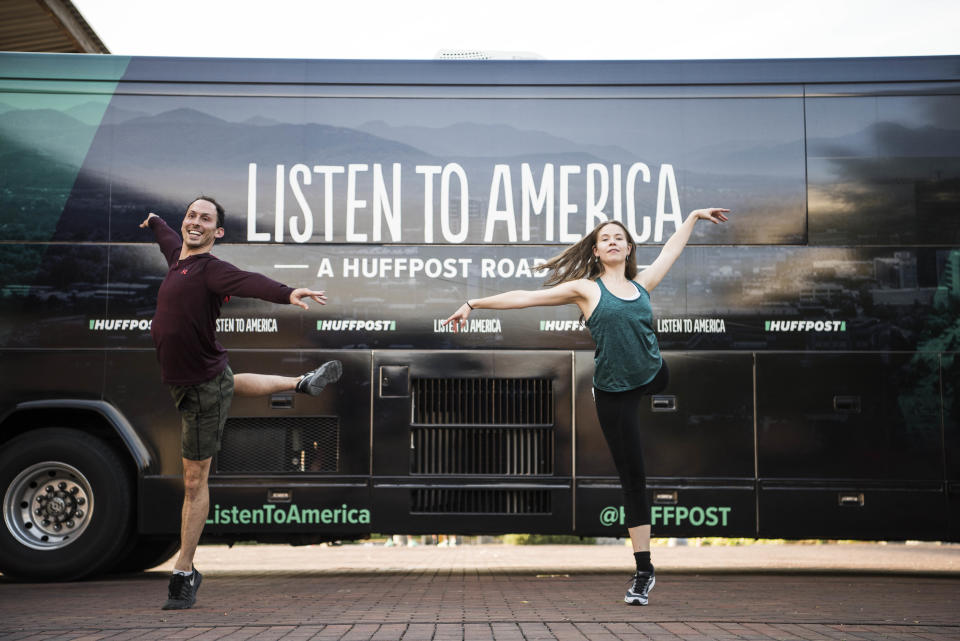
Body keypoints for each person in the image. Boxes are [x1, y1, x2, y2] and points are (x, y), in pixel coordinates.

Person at [444, 207, 729, 606]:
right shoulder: (586, 289)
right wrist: (474, 303)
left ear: (628, 248)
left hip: (653, 374)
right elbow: (528, 297)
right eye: (605, 238)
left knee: (660, 375)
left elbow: (671, 250)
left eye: (619, 238)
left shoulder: (644, 283)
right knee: (634, 478)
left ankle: (651, 379)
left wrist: (694, 217)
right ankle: (644, 570)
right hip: (615, 391)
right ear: (596, 251)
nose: (613, 242)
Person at [140, 196, 343, 610]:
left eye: (206, 219)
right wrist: (155, 220)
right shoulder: (176, 255)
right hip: (203, 376)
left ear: (218, 232)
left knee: (195, 482)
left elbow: (251, 281)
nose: (195, 222)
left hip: (198, 388)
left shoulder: (212, 271)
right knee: (228, 381)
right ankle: (301, 383)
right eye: (191, 215)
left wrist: (289, 293)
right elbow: (165, 235)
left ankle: (184, 571)